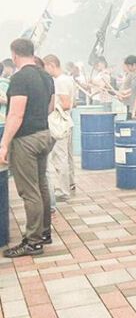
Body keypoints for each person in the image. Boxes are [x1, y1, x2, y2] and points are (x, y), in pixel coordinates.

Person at [0, 39, 55, 258]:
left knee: (29, 191)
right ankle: (44, 232)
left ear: (14, 55)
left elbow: (16, 114)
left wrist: (4, 143)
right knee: (41, 186)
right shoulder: (46, 76)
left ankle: (33, 242)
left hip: (26, 140)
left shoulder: (20, 78)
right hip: (44, 134)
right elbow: (50, 107)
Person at [43, 55, 75, 205]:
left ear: (51, 65)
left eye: (45, 67)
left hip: (59, 123)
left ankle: (63, 191)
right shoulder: (67, 79)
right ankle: (70, 183)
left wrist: (52, 108)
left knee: (59, 156)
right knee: (67, 155)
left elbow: (66, 103)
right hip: (67, 122)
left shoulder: (60, 81)